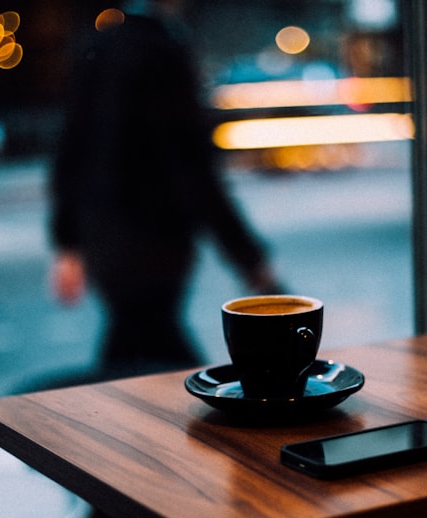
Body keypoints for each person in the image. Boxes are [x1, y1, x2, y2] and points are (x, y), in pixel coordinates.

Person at [50, 0, 283, 382]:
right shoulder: (164, 54)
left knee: (135, 352)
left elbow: (70, 151)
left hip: (105, 238)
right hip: (158, 238)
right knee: (160, 360)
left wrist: (68, 243)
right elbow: (193, 170)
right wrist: (249, 260)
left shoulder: (96, 48)